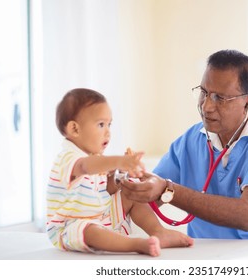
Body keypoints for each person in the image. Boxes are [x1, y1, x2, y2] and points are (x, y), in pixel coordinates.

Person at [120, 50, 248, 240]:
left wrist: (169, 190)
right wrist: (115, 179)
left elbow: (247, 215)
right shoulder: (191, 140)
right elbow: (147, 196)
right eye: (204, 93)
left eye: (220, 98)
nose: (206, 106)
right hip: (210, 257)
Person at [46, 88, 193, 257]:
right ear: (75, 129)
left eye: (109, 124)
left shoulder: (96, 158)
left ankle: (159, 231)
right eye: (101, 124)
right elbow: (86, 167)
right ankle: (136, 244)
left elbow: (107, 192)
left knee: (130, 194)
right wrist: (118, 161)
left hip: (100, 218)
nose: (108, 131)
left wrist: (118, 177)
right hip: (70, 228)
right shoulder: (68, 158)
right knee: (89, 230)